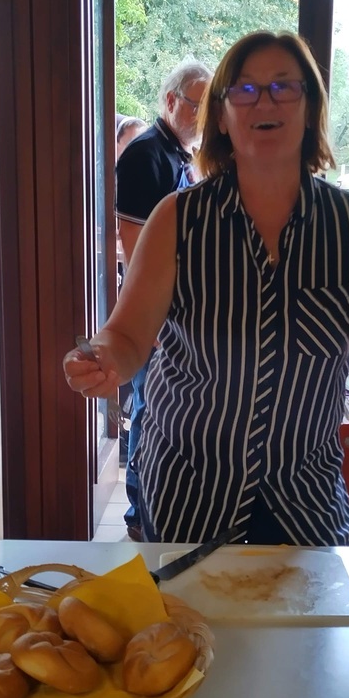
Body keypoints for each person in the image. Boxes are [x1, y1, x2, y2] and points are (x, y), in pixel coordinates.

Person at [63, 30, 349, 545]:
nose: (264, 101)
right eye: (245, 89)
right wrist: (101, 359)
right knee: (189, 603)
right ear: (221, 115)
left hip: (306, 497)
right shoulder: (177, 219)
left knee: (307, 603)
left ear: (310, 108)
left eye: (283, 86)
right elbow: (127, 336)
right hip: (189, 491)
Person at [114, 58, 213, 540]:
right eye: (198, 105)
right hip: (156, 314)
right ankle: (139, 512)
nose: (205, 116)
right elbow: (133, 247)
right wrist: (151, 319)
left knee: (161, 408)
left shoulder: (183, 154)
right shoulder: (145, 154)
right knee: (148, 409)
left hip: (178, 315)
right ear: (171, 100)